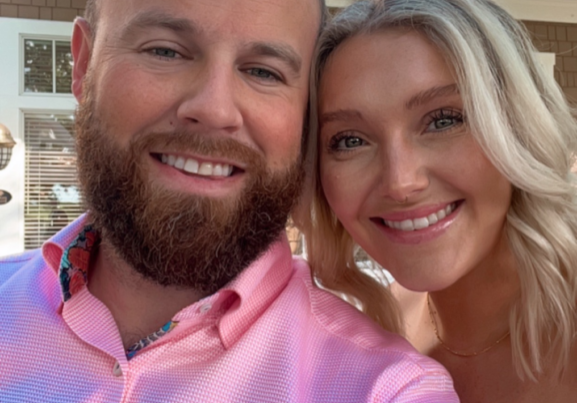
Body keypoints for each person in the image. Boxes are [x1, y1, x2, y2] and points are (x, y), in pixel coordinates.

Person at [0, 0, 459, 402]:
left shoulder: (386, 391)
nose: (215, 109)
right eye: (165, 50)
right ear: (82, 67)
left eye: (263, 71)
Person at [301, 0, 577, 401]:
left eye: (443, 119)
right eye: (350, 140)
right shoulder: (377, 330)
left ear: (518, 128)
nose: (400, 182)